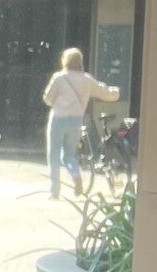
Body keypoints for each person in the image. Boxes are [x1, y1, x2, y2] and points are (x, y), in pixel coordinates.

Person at [41, 46, 118, 197]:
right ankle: (76, 175)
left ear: (65, 61)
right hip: (76, 121)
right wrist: (116, 92)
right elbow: (103, 92)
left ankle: (54, 191)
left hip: (58, 119)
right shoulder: (86, 79)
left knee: (54, 155)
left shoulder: (59, 77)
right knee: (69, 155)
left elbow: (48, 98)